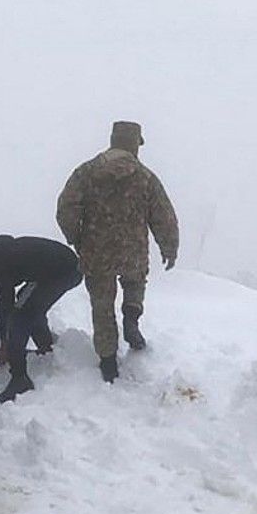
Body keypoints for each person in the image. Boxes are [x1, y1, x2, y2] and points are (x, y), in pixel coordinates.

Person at [56, 121, 179, 382]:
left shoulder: (86, 172)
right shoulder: (146, 177)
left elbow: (66, 207)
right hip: (132, 251)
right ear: (135, 144)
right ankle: (132, 319)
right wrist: (169, 246)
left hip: (96, 252)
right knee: (135, 283)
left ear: (112, 140)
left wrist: (75, 237)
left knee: (102, 306)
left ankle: (108, 360)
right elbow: (163, 215)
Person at [0, 235, 83, 402]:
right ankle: (45, 346)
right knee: (26, 303)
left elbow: (6, 308)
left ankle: (20, 378)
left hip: (64, 272)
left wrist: (5, 345)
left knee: (21, 316)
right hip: (59, 267)